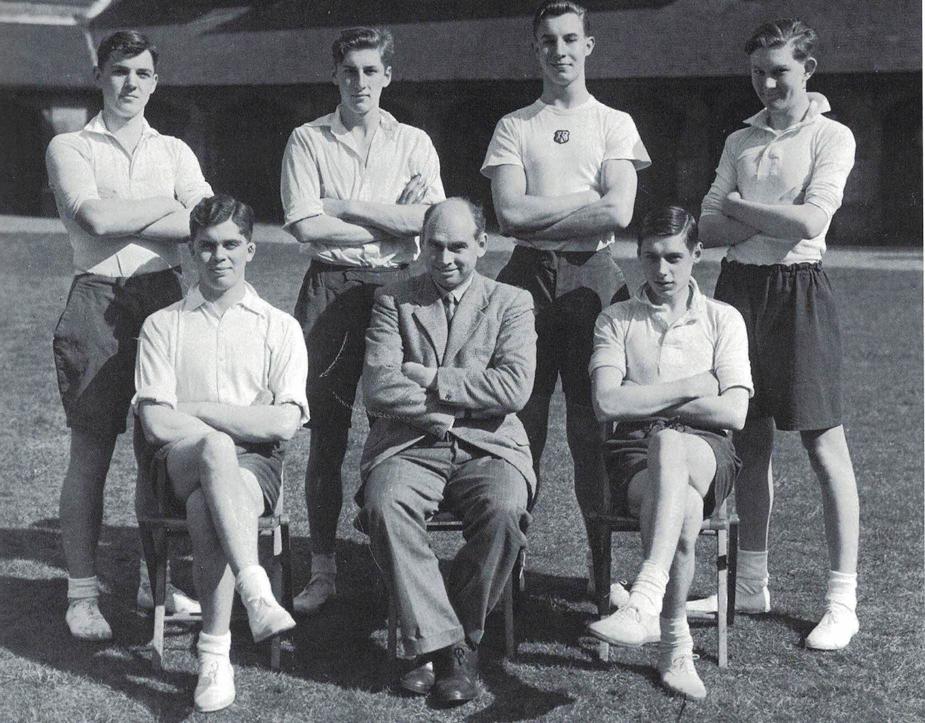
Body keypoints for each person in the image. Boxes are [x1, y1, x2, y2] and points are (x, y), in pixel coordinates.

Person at [686, 18, 860, 651]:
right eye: (758, 71)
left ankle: (843, 600)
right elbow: (706, 224)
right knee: (747, 441)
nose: (767, 83)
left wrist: (739, 208)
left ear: (808, 70)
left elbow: (810, 220)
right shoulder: (740, 139)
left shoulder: (832, 136)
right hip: (736, 293)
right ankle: (748, 583)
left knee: (823, 446)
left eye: (780, 70)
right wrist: (752, 217)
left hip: (800, 292)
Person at [480, 0, 650, 598]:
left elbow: (619, 211)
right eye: (548, 40)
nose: (560, 50)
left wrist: (539, 215)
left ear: (588, 45)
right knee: (520, 424)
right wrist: (580, 203)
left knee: (592, 429)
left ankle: (602, 575)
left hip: (594, 278)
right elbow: (507, 214)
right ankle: (510, 568)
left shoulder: (614, 123)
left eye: (570, 38)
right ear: (536, 48)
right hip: (524, 278)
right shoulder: (515, 125)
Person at [46, 30, 211, 640]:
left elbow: (204, 221)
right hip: (95, 298)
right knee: (91, 449)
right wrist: (165, 211)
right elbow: (94, 217)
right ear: (100, 76)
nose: (131, 84)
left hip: (166, 299)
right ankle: (82, 594)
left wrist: (145, 212)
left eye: (142, 73)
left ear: (155, 81)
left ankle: (159, 584)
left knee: (163, 450)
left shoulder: (175, 150)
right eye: (119, 72)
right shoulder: (70, 145)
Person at [280, 26, 445, 615]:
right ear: (336, 76)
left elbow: (430, 222)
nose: (360, 82)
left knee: (402, 425)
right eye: (349, 71)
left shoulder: (414, 141)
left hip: (399, 292)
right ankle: (322, 568)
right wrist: (391, 220)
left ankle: (392, 566)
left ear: (387, 76)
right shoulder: (307, 139)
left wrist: (346, 205)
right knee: (327, 434)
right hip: (329, 288)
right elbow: (306, 225)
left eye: (371, 71)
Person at [134, 194, 309, 713]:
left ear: (251, 249)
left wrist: (198, 406)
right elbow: (157, 422)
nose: (219, 256)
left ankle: (214, 654)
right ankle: (255, 589)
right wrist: (223, 426)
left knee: (207, 503)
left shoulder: (279, 326)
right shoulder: (163, 325)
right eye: (207, 246)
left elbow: (284, 421)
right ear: (190, 251)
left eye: (231, 244)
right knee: (212, 449)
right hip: (179, 462)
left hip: (256, 468)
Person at [357, 198, 535, 705]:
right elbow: (380, 387)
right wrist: (444, 410)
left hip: (490, 445)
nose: (445, 258)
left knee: (504, 512)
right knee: (385, 506)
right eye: (434, 245)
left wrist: (434, 378)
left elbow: (514, 388)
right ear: (422, 244)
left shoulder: (512, 301)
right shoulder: (395, 300)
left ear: (483, 244)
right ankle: (452, 647)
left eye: (458, 246)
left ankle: (437, 643)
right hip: (410, 444)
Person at [585, 207, 752, 699]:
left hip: (708, 451)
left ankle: (645, 600)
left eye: (675, 257)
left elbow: (736, 414)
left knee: (672, 441)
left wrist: (650, 394)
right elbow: (606, 403)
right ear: (637, 255)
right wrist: (693, 386)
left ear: (697, 254)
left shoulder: (723, 319)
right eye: (651, 257)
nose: (662, 271)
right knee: (680, 500)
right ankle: (673, 643)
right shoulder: (616, 319)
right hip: (634, 453)